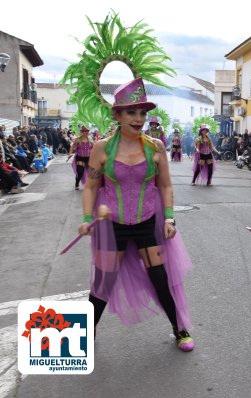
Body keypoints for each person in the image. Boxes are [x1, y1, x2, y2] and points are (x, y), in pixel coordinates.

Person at [78, 77, 194, 351]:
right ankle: (86, 331)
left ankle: (179, 328)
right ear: (117, 115)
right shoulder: (101, 148)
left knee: (161, 278)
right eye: (131, 112)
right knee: (103, 282)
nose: (138, 118)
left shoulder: (156, 147)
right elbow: (91, 187)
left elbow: (165, 185)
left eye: (143, 112)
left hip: (147, 223)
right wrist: (86, 218)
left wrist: (169, 217)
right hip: (112, 226)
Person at [69, 126, 94, 190]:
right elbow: (73, 147)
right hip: (80, 157)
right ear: (81, 132)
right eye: (84, 131)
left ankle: (91, 184)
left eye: (87, 131)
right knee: (80, 171)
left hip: (89, 158)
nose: (86, 132)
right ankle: (77, 184)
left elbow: (95, 147)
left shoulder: (90, 139)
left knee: (92, 172)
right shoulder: (77, 139)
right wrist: (70, 153)